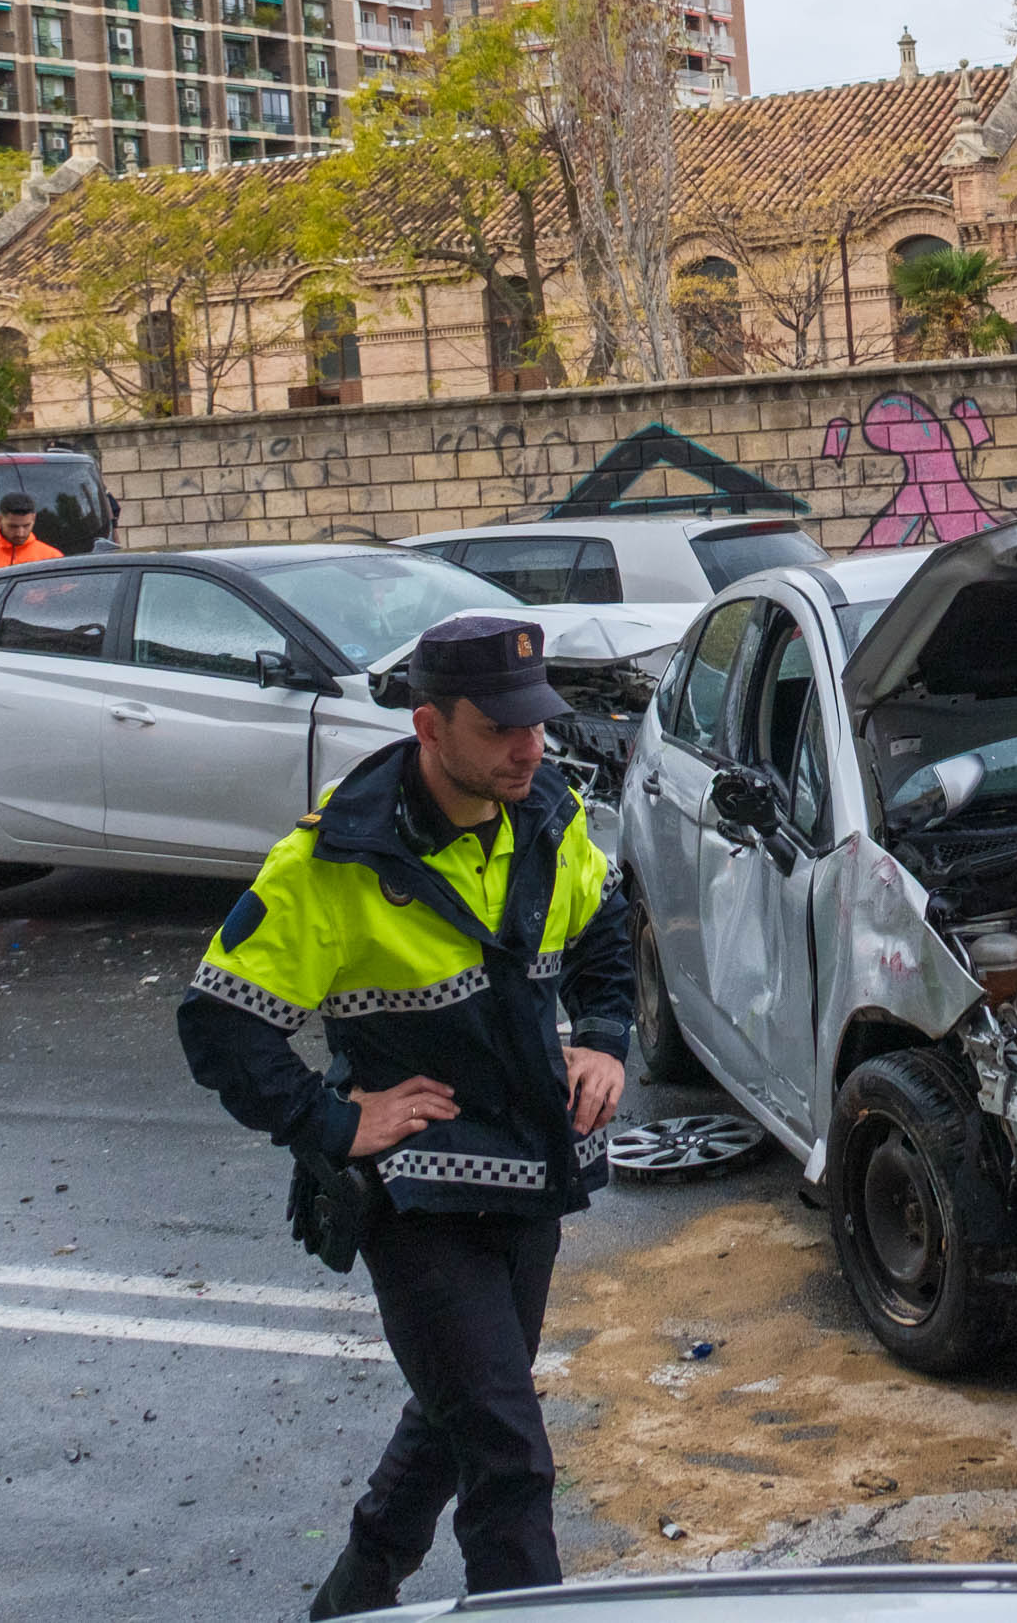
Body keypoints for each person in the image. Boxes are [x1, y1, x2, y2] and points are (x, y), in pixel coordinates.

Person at [175, 615, 634, 1617]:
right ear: (430, 725)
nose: (532, 746)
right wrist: (334, 1125)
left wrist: (603, 1036)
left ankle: (359, 1585)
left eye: (540, 722)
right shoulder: (335, 863)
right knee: (508, 1454)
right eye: (504, 727)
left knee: (464, 1404)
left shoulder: (545, 817)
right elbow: (217, 1024)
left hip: (529, 1181)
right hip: (415, 1204)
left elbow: (603, 923)